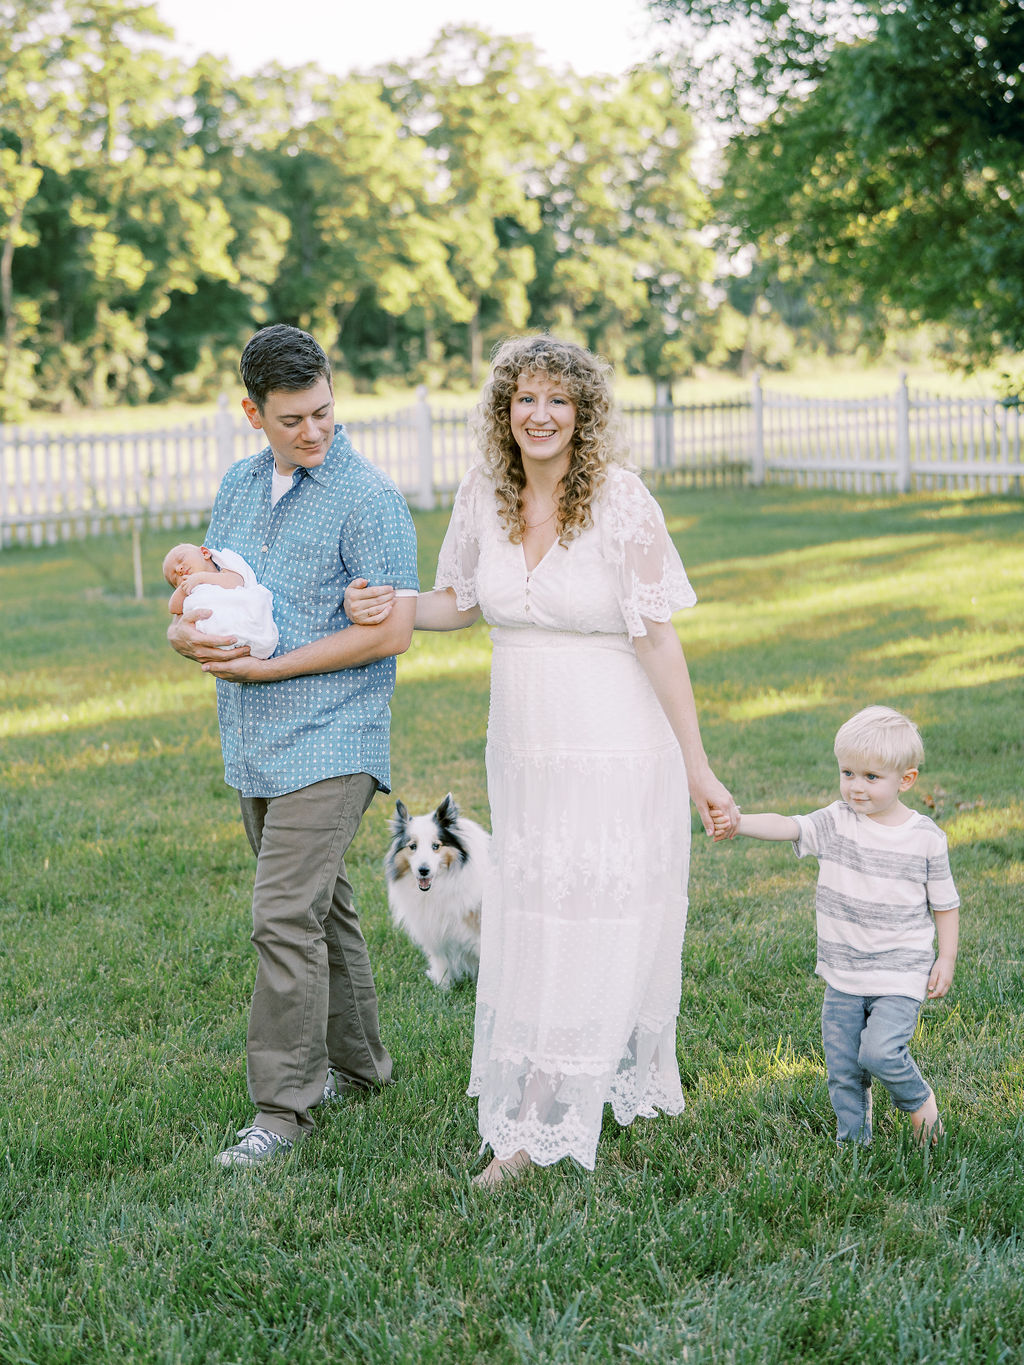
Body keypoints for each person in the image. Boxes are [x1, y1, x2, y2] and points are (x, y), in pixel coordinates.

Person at [346, 334, 739, 1185]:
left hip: (611, 742)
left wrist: (698, 767)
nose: (541, 413)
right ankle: (543, 1084)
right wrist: (388, 603)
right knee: (534, 912)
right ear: (505, 409)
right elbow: (457, 602)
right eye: (525, 397)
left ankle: (535, 1120)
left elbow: (658, 639)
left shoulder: (621, 499)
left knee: (583, 909)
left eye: (559, 398)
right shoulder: (483, 494)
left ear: (583, 412)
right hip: (525, 749)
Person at [166, 323, 419, 1168]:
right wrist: (183, 634)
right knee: (321, 906)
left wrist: (271, 670)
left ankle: (282, 1110)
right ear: (254, 414)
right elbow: (209, 595)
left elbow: (391, 635)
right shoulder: (238, 487)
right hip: (256, 740)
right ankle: (363, 1066)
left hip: (335, 736)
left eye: (323, 412)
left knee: (281, 914)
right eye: (292, 419)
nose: (313, 431)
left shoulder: (370, 498)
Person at [711, 705, 960, 1146]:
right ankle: (853, 1143)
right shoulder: (835, 822)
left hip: (899, 972)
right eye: (848, 773)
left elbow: (945, 904)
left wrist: (947, 956)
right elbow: (789, 826)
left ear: (905, 780)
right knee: (844, 1068)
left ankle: (919, 1102)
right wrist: (739, 822)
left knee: (879, 1052)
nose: (855, 786)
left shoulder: (925, 838)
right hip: (843, 973)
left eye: (871, 777)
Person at [162, 541, 279, 659]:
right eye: (174, 576)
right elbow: (173, 607)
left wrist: (200, 578)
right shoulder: (191, 590)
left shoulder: (225, 571)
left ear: (205, 553)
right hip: (216, 633)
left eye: (181, 559)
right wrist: (184, 586)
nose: (179, 569)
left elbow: (236, 582)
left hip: (239, 616)